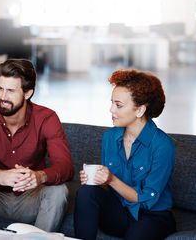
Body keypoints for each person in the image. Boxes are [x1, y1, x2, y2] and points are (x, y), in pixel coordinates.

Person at [0, 59, 74, 232]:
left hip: (30, 198)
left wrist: (39, 177)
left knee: (59, 192)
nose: (3, 97)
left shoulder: (46, 118)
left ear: (28, 93)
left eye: (11, 91)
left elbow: (66, 167)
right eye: (0, 88)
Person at [74, 69, 176, 240]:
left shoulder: (163, 145)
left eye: (118, 105)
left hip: (151, 216)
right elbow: (108, 189)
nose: (111, 109)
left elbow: (146, 200)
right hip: (120, 212)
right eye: (112, 103)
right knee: (86, 192)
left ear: (140, 110)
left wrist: (111, 179)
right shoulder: (110, 137)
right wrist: (98, 181)